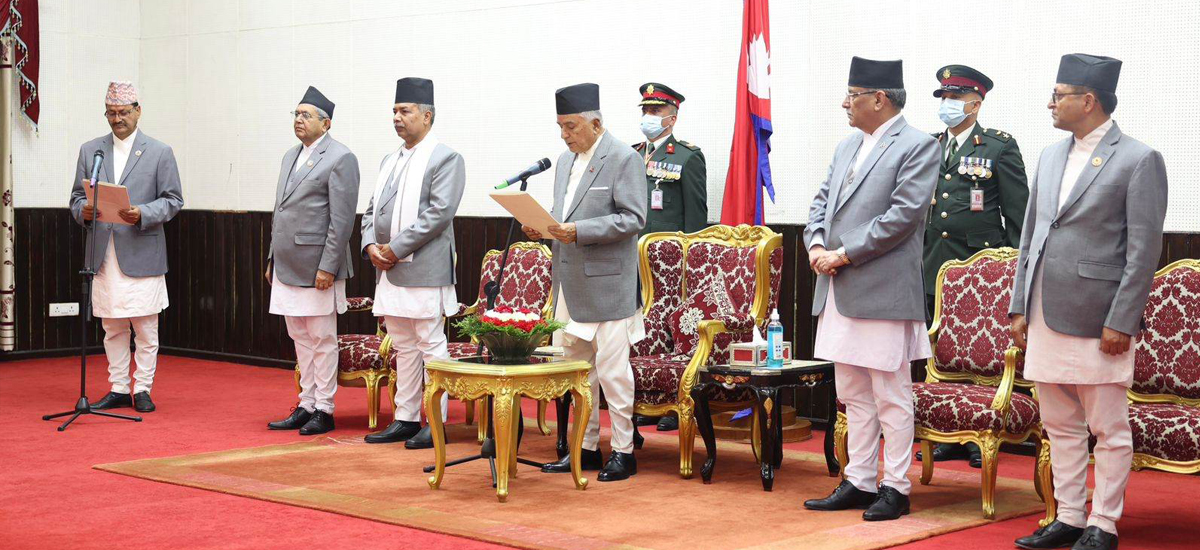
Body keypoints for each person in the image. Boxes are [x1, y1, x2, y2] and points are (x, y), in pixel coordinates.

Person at [1010, 54, 1167, 550]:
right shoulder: (1050, 154)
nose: (1051, 103)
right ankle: (1071, 516)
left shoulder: (1139, 159)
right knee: (1059, 425)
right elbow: (1030, 234)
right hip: (1044, 311)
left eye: (1059, 95)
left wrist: (1122, 319)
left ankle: (1104, 523)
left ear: (1089, 100)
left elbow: (1143, 252)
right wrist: (1019, 306)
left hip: (1099, 318)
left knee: (1108, 427)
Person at [801, 57, 939, 521]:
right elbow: (821, 202)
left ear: (878, 99)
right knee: (853, 392)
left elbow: (902, 216)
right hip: (839, 289)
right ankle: (859, 479)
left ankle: (895, 487)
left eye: (852, 94)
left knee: (890, 394)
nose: (845, 102)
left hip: (881, 290)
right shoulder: (847, 146)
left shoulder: (919, 146)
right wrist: (817, 243)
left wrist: (842, 254)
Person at [527, 83, 647, 482]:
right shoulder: (564, 161)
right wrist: (544, 228)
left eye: (572, 126)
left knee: (613, 372)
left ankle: (625, 452)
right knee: (578, 372)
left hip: (609, 284)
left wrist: (577, 230)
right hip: (570, 284)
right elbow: (566, 218)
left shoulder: (623, 157)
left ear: (596, 123)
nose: (565, 135)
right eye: (561, 126)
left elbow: (633, 219)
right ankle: (587, 447)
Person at [918, 64, 1029, 467]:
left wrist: (1019, 274)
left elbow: (1018, 216)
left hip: (982, 267)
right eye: (943, 97)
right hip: (934, 264)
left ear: (975, 102)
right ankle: (949, 431)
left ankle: (985, 433)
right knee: (943, 349)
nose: (947, 105)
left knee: (982, 351)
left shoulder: (998, 147)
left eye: (954, 98)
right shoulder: (929, 147)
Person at [69, 81, 184, 414]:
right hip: (103, 253)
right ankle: (119, 387)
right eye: (111, 113)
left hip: (142, 249)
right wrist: (83, 211)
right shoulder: (91, 150)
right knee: (112, 326)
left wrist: (142, 213)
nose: (117, 119)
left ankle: (143, 387)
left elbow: (174, 200)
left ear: (138, 111)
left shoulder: (160, 151)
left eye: (123, 112)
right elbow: (76, 198)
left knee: (145, 327)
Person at [361, 77, 464, 449]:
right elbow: (371, 210)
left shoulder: (446, 158)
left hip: (423, 268)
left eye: (405, 111)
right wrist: (371, 244)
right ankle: (405, 417)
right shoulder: (390, 159)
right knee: (402, 344)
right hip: (388, 268)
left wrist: (395, 249)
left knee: (430, 344)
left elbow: (438, 214)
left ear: (427, 115)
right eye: (394, 111)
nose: (397, 118)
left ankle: (435, 421)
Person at [265, 86, 360, 436]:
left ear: (326, 122)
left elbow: (342, 220)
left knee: (321, 337)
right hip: (287, 263)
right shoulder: (291, 155)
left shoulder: (340, 158)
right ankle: (306, 403)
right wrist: (272, 257)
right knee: (299, 336)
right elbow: (281, 211)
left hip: (318, 264)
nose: (299, 120)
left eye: (306, 115)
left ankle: (326, 408)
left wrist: (328, 266)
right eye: (296, 114)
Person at [630, 82, 708, 433]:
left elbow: (695, 217)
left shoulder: (687, 157)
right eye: (645, 110)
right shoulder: (632, 154)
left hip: (671, 265)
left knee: (669, 330)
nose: (649, 117)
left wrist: (690, 266)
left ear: (672, 117)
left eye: (656, 111)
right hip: (630, 256)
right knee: (635, 327)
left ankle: (672, 404)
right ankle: (639, 397)